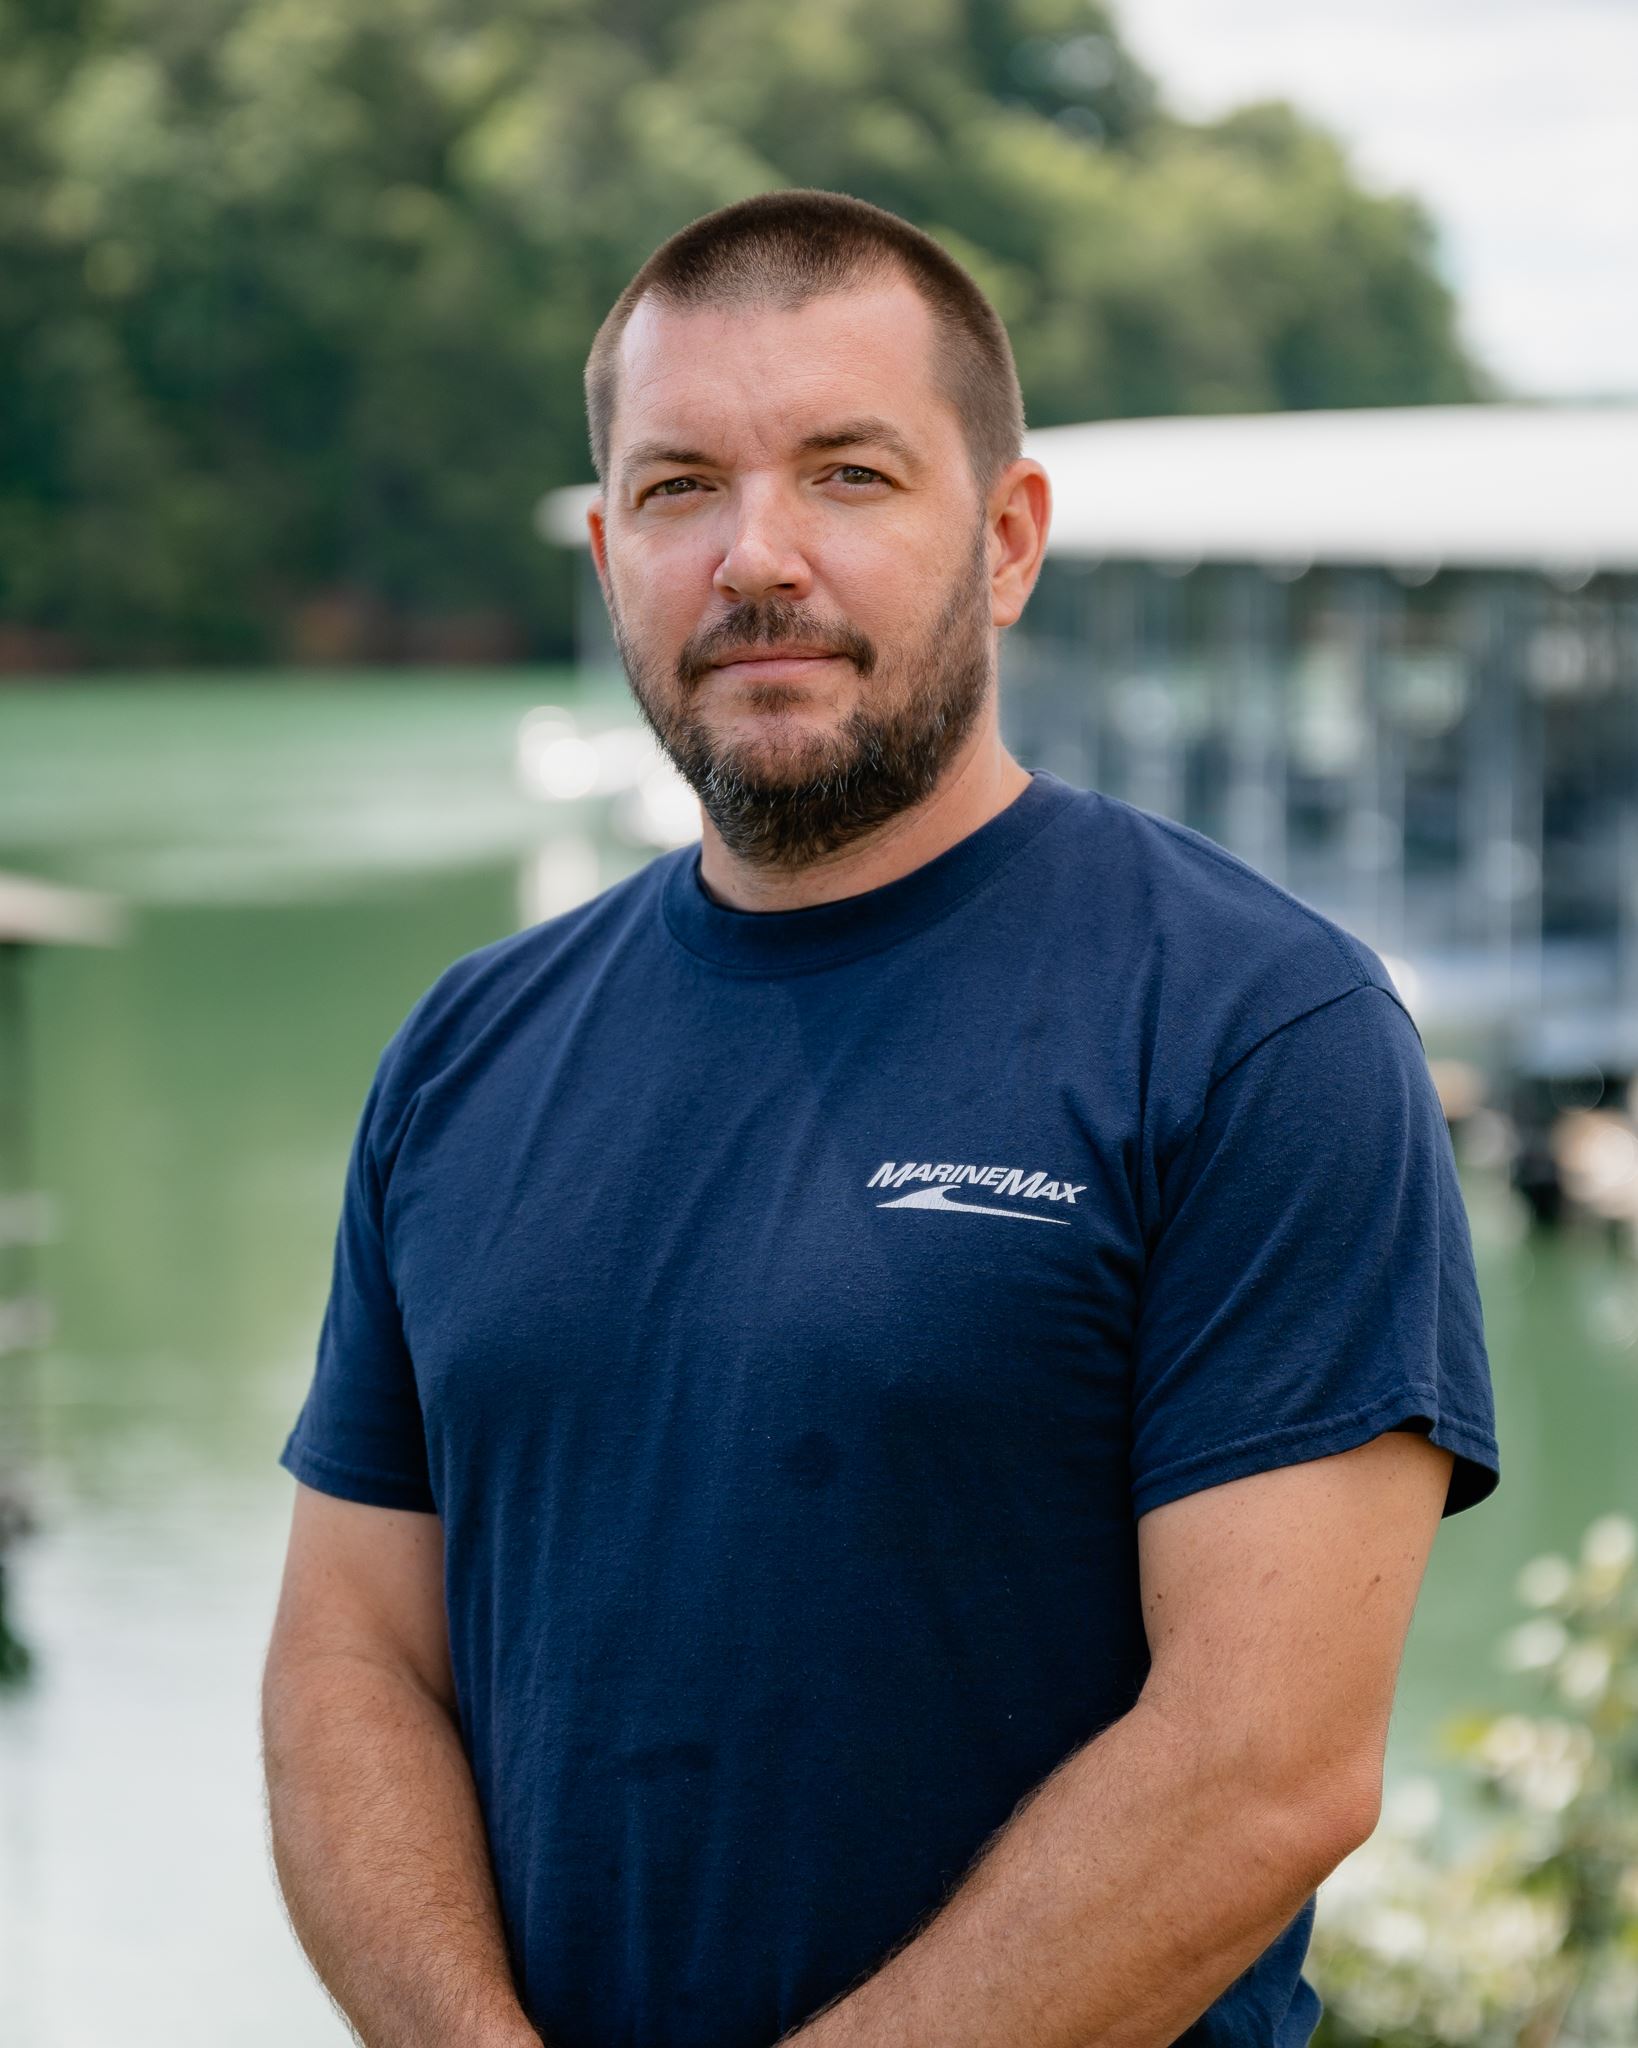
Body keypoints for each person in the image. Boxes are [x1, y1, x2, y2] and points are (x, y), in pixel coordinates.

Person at [261, 189, 1502, 2048]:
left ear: (1004, 541)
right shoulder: (464, 1053)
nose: (757, 556)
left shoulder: (1257, 1029)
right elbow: (348, 1661)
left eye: (847, 474)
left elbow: (1266, 1765)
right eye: (681, 488)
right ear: (608, 551)